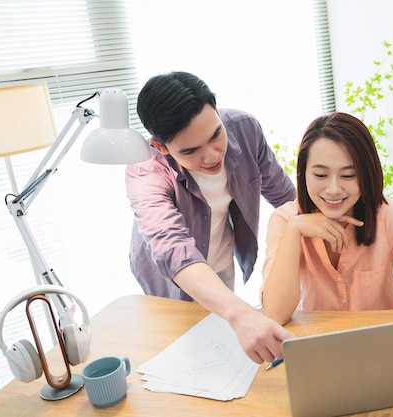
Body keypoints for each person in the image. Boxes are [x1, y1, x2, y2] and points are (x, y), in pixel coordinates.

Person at [125, 71, 296, 363]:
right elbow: (173, 249)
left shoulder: (244, 128)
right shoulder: (145, 171)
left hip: (221, 258)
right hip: (172, 279)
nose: (211, 156)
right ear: (160, 147)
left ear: (217, 112)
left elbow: (284, 198)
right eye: (190, 151)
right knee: (185, 355)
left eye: (215, 135)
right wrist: (242, 314)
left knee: (221, 349)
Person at [261, 112, 393, 325]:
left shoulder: (385, 215)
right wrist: (294, 229)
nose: (334, 189)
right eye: (320, 175)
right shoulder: (285, 221)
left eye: (348, 176)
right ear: (303, 173)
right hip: (312, 344)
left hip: (378, 347)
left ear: (366, 174)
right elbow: (275, 314)